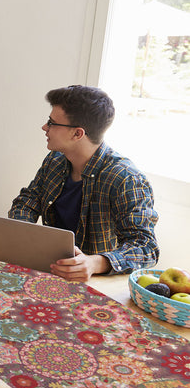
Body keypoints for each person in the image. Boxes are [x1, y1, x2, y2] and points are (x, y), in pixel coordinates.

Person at [9, 85, 159, 282]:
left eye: (52, 123)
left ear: (77, 134)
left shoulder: (126, 178)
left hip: (95, 283)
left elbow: (145, 247)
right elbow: (28, 200)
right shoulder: (55, 159)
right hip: (53, 271)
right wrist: (22, 232)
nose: (44, 127)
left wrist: (94, 263)